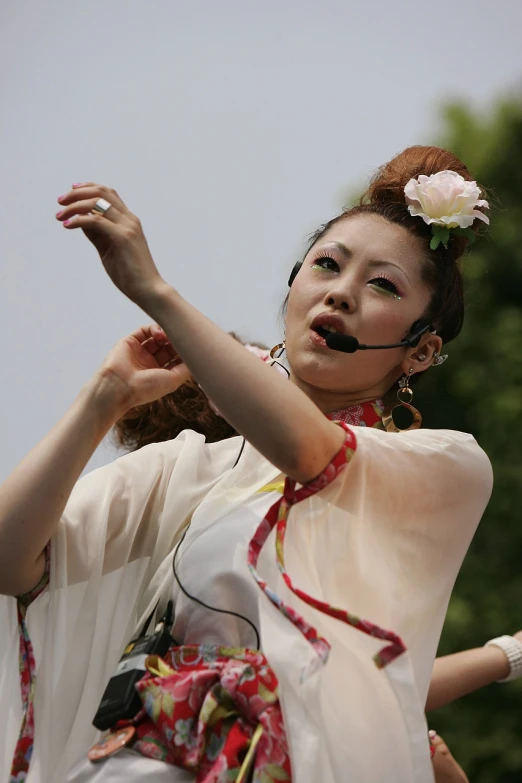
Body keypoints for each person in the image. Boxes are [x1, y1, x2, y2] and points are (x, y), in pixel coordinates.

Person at [0, 146, 494, 783]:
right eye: (326, 265)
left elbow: (313, 456)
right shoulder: (187, 471)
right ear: (293, 286)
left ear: (422, 351)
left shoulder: (442, 464)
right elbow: (12, 559)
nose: (340, 294)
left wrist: (155, 292)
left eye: (382, 284)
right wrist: (105, 397)